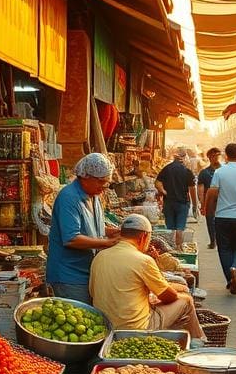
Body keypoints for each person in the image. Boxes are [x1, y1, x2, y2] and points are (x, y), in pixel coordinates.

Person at [90, 214, 206, 343]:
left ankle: (178, 340)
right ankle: (198, 343)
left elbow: (94, 292)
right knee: (186, 301)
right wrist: (177, 289)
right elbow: (169, 296)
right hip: (135, 328)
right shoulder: (143, 260)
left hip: (105, 326)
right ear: (144, 236)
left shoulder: (100, 257)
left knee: (165, 299)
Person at [46, 153, 119, 302]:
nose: (104, 186)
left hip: (87, 272)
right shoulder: (69, 197)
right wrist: (107, 243)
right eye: (100, 182)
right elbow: (72, 239)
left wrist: (114, 232)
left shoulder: (94, 195)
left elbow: (93, 227)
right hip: (69, 276)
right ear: (85, 177)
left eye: (106, 182)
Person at [205, 143, 236, 294]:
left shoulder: (220, 173)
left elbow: (212, 193)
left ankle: (230, 278)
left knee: (224, 248)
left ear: (226, 155)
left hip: (222, 217)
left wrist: (208, 210)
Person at [155, 147, 196, 248]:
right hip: (182, 203)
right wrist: (195, 204)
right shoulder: (187, 172)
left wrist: (163, 191)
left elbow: (157, 182)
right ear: (183, 159)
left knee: (170, 227)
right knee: (179, 228)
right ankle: (178, 247)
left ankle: (169, 247)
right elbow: (192, 189)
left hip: (168, 202)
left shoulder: (166, 169)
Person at [197, 147, 222, 249]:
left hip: (223, 200)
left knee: (221, 221)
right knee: (210, 221)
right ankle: (213, 240)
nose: (216, 158)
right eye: (213, 156)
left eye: (217, 156)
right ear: (209, 158)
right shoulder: (204, 172)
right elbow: (200, 189)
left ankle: (220, 240)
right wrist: (202, 203)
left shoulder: (224, 170)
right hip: (210, 201)